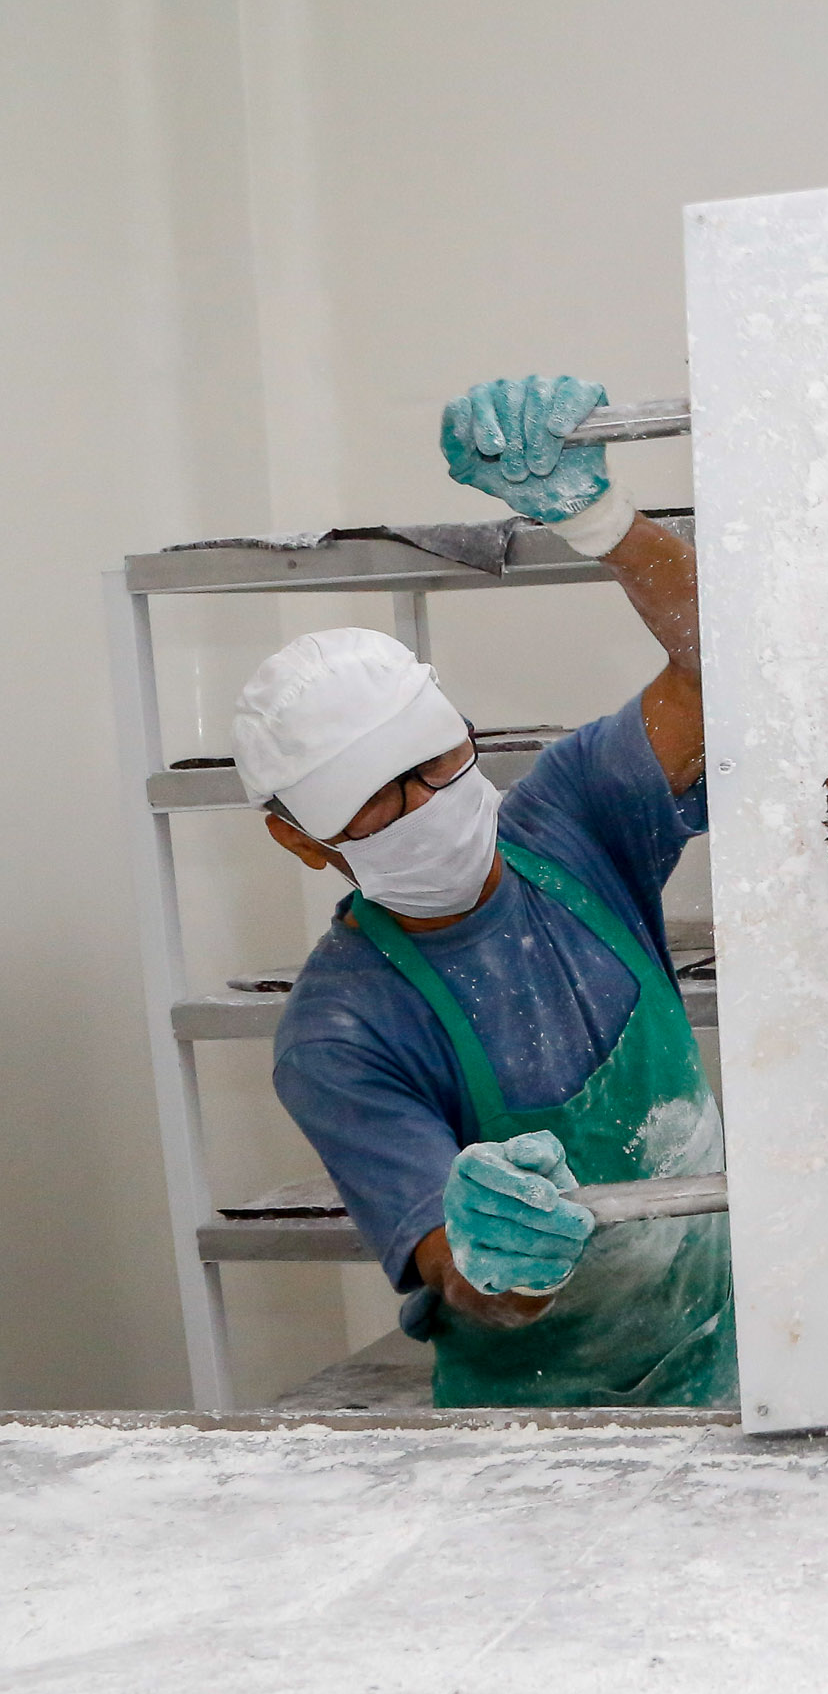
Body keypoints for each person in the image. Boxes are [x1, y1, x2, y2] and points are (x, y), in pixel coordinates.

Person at [241, 375, 731, 1405]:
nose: (427, 804)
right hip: (542, 1432)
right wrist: (501, 1256)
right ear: (298, 837)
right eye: (374, 801)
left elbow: (731, 664)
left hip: (733, 1354)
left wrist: (600, 520)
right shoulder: (342, 1032)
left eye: (436, 759)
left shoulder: (574, 817)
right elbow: (467, 1290)